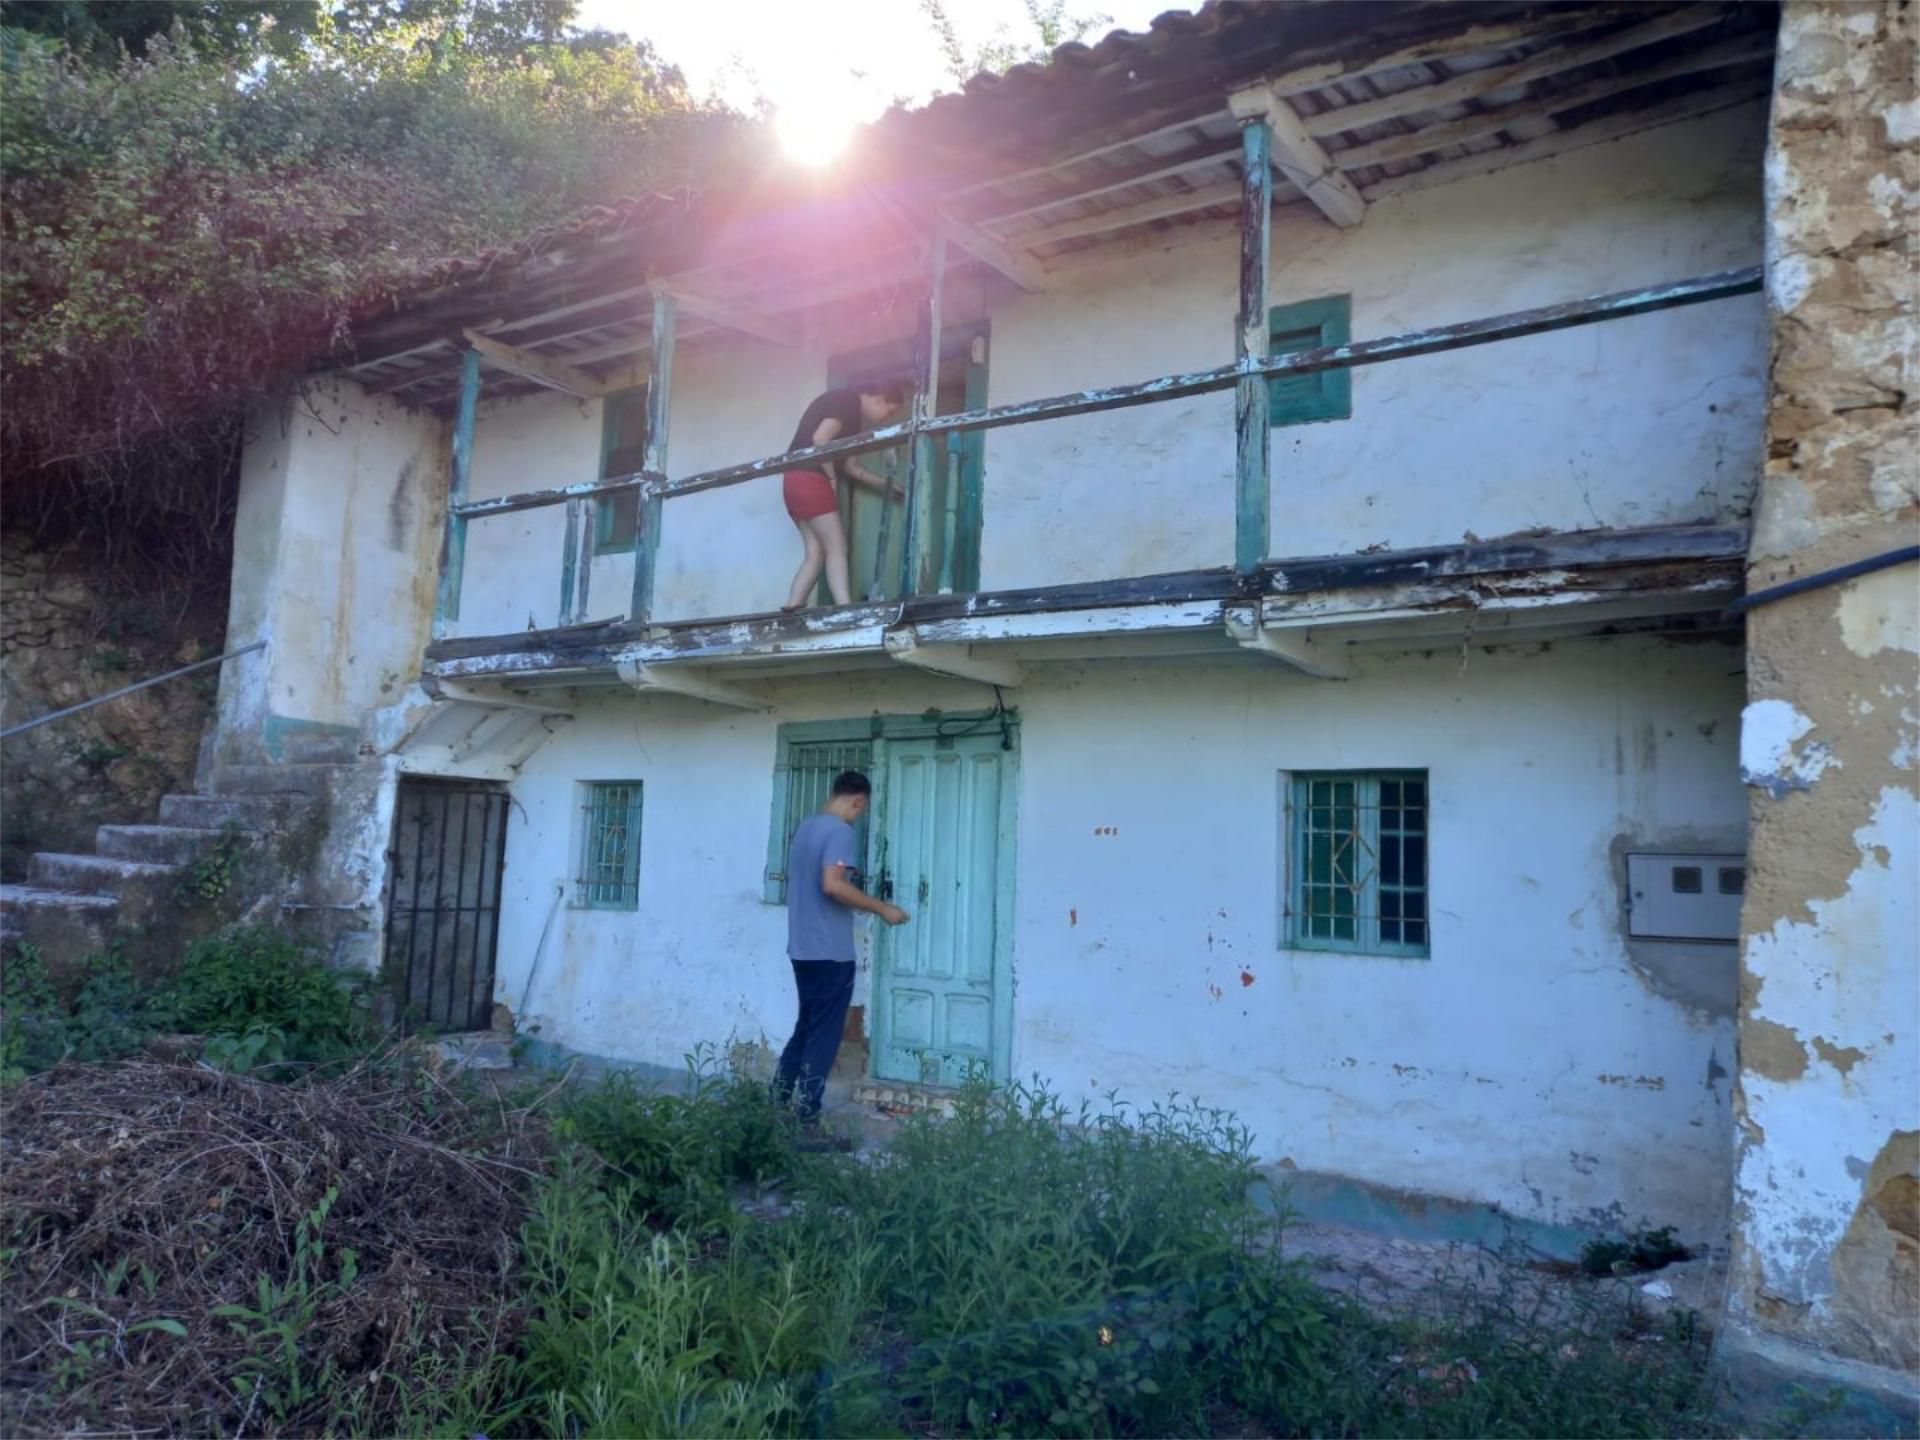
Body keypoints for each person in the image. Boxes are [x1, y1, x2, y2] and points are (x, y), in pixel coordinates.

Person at [774, 770, 909, 1137]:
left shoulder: (806, 828)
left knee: (805, 1028)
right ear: (858, 801)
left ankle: (776, 1106)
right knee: (824, 1036)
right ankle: (807, 1121)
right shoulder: (839, 832)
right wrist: (882, 908)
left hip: (802, 949)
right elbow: (833, 885)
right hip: (830, 954)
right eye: (861, 810)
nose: (858, 816)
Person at [781, 381, 908, 611]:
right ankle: (845, 608)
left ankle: (792, 607)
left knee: (816, 551)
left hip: (793, 479)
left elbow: (852, 468)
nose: (886, 418)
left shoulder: (853, 418)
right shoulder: (847, 401)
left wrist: (887, 485)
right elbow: (820, 440)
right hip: (811, 478)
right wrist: (831, 479)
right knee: (837, 547)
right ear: (879, 398)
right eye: (889, 411)